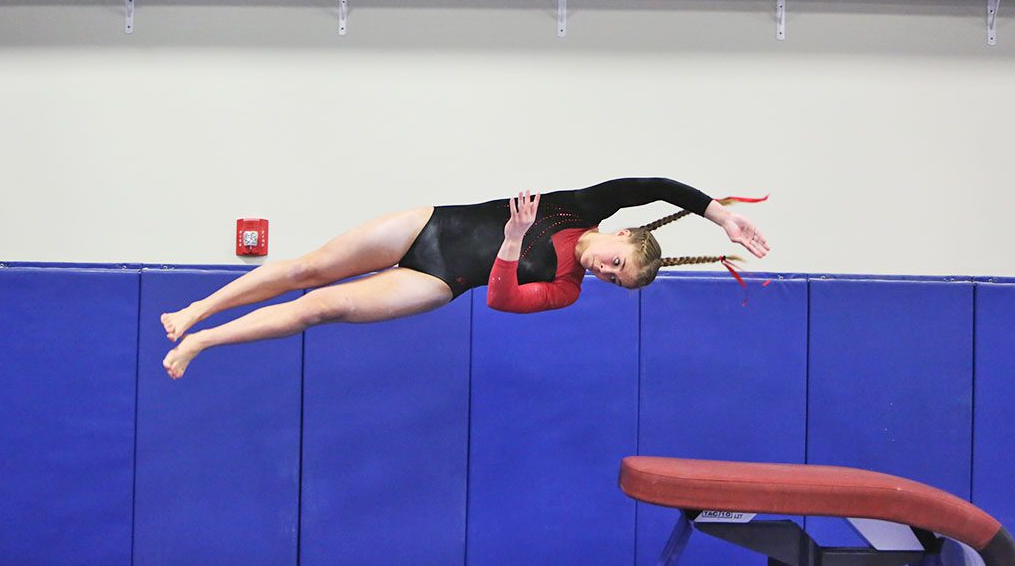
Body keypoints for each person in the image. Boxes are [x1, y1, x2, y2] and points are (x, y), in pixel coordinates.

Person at [161, 178, 770, 379]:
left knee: (323, 305)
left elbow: (502, 300)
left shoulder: (565, 288)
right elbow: (658, 186)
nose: (603, 272)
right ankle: (196, 310)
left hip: (441, 278)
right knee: (306, 267)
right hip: (429, 226)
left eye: (615, 282)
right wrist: (720, 217)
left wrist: (509, 244)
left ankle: (203, 341)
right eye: (617, 262)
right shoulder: (584, 206)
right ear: (621, 235)